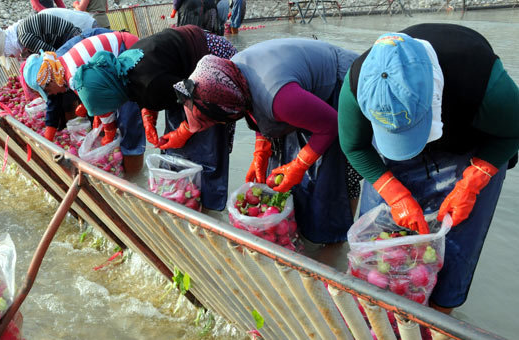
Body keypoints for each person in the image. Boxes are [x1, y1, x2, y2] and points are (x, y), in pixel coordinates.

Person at [337, 23, 519, 313]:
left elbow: (512, 132)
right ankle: (380, 319)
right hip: (397, 153)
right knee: (380, 245)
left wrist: (472, 183)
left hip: (469, 144)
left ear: (434, 94)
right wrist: (396, 196)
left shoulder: (485, 83)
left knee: (455, 246)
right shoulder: (361, 82)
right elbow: (355, 147)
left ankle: (438, 316)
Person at [161, 38, 361, 245]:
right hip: (300, 96)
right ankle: (310, 234)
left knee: (340, 175)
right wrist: (261, 153)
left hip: (343, 85)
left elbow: (331, 125)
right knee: (300, 179)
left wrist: (299, 164)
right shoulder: (231, 77)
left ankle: (337, 244)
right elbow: (256, 108)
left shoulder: (280, 98)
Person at [72, 25, 237, 210]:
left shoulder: (151, 84)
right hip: (183, 74)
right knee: (179, 149)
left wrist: (183, 131)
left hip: (214, 57)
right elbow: (146, 90)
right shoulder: (123, 69)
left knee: (209, 146)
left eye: (109, 107)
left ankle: (209, 212)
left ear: (111, 95)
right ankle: (183, 200)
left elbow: (200, 99)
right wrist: (148, 116)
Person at [22, 31, 146, 174]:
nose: (53, 95)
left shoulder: (73, 77)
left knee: (129, 118)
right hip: (121, 47)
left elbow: (104, 109)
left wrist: (108, 135)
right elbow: (100, 95)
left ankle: (135, 175)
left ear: (49, 81)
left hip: (127, 52)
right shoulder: (62, 63)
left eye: (49, 92)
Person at [0, 13, 82, 69]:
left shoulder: (24, 38)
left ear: (7, 46)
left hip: (71, 38)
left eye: (8, 54)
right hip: (69, 36)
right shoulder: (21, 28)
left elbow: (53, 55)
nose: (12, 56)